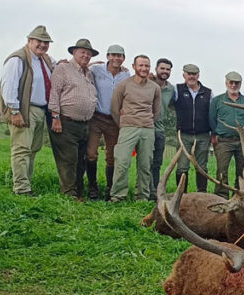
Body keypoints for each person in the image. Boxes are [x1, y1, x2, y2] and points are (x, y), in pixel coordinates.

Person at [0, 25, 54, 196]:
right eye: (39, 41)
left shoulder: (45, 60)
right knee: (21, 148)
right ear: (29, 41)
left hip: (40, 109)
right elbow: (9, 86)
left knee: (33, 149)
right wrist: (15, 111)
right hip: (25, 108)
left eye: (46, 42)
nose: (43, 45)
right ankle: (21, 188)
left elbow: (61, 67)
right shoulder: (18, 59)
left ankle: (27, 182)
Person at [47, 38, 98, 199]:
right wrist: (55, 117)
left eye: (89, 54)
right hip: (66, 121)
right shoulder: (63, 69)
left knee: (80, 161)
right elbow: (54, 93)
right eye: (82, 52)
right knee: (68, 160)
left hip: (84, 124)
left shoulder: (88, 73)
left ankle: (79, 193)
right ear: (74, 52)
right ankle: (69, 194)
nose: (86, 56)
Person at [108, 55, 161, 202]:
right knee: (122, 162)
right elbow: (114, 108)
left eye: (147, 66)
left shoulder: (155, 88)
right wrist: (124, 123)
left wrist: (146, 122)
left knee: (145, 165)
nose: (144, 69)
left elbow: (156, 111)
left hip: (147, 129)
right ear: (134, 66)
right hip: (127, 127)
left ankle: (142, 196)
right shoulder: (124, 85)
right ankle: (118, 195)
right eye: (141, 65)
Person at [86, 44, 130, 199]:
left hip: (114, 119)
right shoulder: (96, 70)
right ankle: (92, 187)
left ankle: (110, 188)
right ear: (108, 56)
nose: (116, 58)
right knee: (91, 153)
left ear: (124, 58)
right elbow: (83, 69)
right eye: (113, 55)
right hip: (96, 117)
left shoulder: (126, 75)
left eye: (120, 55)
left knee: (112, 156)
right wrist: (91, 63)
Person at [209, 71, 244, 198]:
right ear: (226, 83)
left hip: (242, 141)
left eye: (237, 83)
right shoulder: (217, 101)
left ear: (240, 84)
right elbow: (211, 119)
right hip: (224, 141)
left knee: (243, 170)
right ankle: (221, 196)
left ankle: (240, 195)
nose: (234, 85)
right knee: (222, 170)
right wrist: (215, 133)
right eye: (231, 82)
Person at [172, 64, 212, 192]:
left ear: (198, 75)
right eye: (189, 74)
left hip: (203, 135)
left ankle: (202, 193)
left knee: (201, 167)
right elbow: (168, 104)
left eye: (194, 74)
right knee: (182, 167)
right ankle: (181, 195)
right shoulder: (177, 90)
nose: (191, 77)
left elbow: (212, 113)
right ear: (184, 75)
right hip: (184, 134)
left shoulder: (208, 93)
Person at [149, 58, 176, 198]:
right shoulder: (147, 82)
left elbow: (172, 105)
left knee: (157, 162)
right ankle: (142, 191)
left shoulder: (171, 89)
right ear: (156, 69)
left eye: (168, 69)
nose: (165, 71)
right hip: (145, 127)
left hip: (159, 129)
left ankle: (154, 191)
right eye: (162, 68)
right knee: (144, 162)